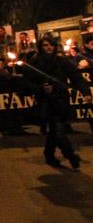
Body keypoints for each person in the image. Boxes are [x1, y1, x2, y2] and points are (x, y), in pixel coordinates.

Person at [26, 35, 81, 170]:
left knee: (54, 130)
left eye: (50, 45)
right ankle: (70, 155)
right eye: (45, 45)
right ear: (40, 47)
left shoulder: (62, 61)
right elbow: (26, 83)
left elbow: (75, 77)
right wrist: (41, 88)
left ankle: (49, 154)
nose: (48, 47)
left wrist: (85, 92)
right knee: (57, 129)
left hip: (61, 99)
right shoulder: (35, 63)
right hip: (45, 102)